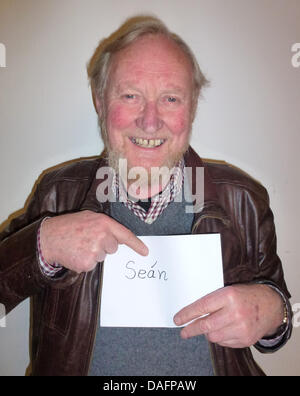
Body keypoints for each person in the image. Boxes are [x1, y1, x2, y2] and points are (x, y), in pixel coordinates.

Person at [0, 15, 292, 376]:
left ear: (193, 106)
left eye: (170, 98)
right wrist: (42, 245)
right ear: (99, 100)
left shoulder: (244, 199)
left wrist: (273, 311)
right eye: (130, 95)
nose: (150, 121)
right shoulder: (57, 194)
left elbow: (276, 319)